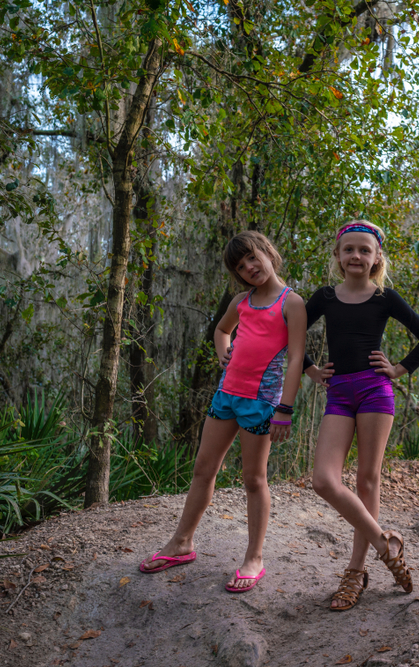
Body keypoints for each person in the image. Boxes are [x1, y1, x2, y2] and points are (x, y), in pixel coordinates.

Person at [139, 231, 306, 594]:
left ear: (267, 253)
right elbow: (221, 329)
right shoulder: (241, 301)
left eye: (252, 257)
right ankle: (181, 543)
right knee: (204, 468)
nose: (249, 267)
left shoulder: (292, 303)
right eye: (240, 265)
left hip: (261, 402)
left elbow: (296, 358)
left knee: (253, 479)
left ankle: (254, 558)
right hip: (226, 394)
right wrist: (222, 351)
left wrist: (285, 409)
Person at [304, 220, 419, 611]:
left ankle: (355, 572)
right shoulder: (326, 297)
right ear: (338, 256)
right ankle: (386, 543)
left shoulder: (385, 297)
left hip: (374, 391)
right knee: (324, 480)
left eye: (365, 250)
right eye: (349, 250)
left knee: (367, 479)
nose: (356, 256)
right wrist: (311, 369)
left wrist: (398, 368)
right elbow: (288, 332)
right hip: (339, 392)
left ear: (377, 256)